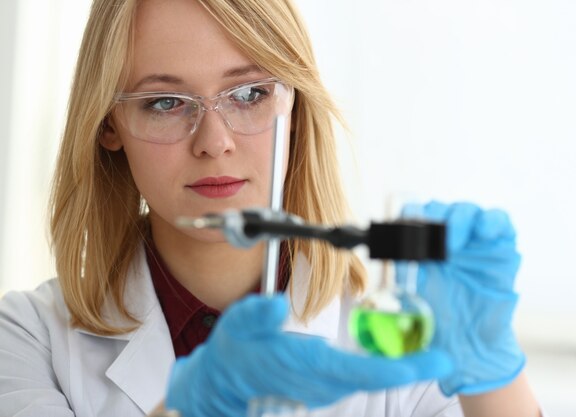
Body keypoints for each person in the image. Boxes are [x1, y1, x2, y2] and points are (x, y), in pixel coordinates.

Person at [0, 0, 544, 416]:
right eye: (165, 102)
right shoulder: (27, 338)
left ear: (295, 104)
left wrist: (496, 377)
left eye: (249, 93)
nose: (214, 141)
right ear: (108, 126)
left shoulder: (402, 343)